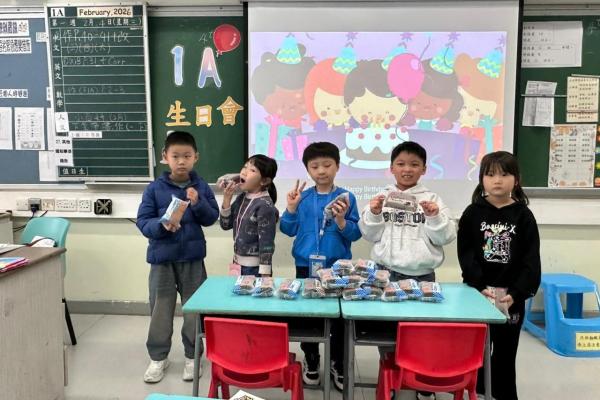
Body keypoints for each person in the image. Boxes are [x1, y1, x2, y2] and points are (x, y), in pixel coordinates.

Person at [359, 140, 456, 400]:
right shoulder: (381, 198)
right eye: (401, 164)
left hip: (423, 276)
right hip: (386, 273)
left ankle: (422, 381)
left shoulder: (433, 199)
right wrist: (374, 213)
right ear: (391, 168)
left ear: (424, 169)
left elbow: (446, 236)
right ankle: (390, 377)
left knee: (422, 332)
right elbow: (368, 234)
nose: (407, 169)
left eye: (414, 164)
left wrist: (434, 216)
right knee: (387, 331)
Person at [136, 131, 219, 383]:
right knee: (160, 309)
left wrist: (198, 203)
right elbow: (143, 221)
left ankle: (193, 356)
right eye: (175, 156)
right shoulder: (154, 188)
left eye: (187, 156)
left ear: (196, 157)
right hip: (162, 258)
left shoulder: (201, 186)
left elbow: (211, 217)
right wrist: (162, 225)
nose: (181, 161)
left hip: (193, 259)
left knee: (194, 310)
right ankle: (158, 358)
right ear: (165, 157)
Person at [458, 151, 541, 400]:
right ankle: (477, 391)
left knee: (505, 351)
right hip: (478, 294)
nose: (497, 180)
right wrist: (478, 285)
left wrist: (516, 293)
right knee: (477, 349)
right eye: (490, 174)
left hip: (510, 298)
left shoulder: (523, 216)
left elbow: (530, 260)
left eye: (504, 174)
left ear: (516, 179)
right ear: (481, 179)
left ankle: (503, 393)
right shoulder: (472, 213)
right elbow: (466, 254)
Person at [280, 141, 361, 391]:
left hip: (338, 269)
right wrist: (290, 209)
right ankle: (311, 358)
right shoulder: (302, 197)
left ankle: (337, 362)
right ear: (308, 169)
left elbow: (355, 234)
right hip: (306, 266)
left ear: (337, 166)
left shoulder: (347, 198)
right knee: (309, 316)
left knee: (338, 319)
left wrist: (341, 220)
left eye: (327, 165)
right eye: (315, 166)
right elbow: (287, 229)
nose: (321, 170)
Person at [219, 154, 279, 277]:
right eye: (245, 167)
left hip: (255, 269)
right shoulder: (242, 197)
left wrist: (265, 275)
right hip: (237, 264)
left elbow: (267, 242)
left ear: (264, 181)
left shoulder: (265, 205)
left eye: (252, 170)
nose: (244, 172)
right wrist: (227, 198)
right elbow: (225, 225)